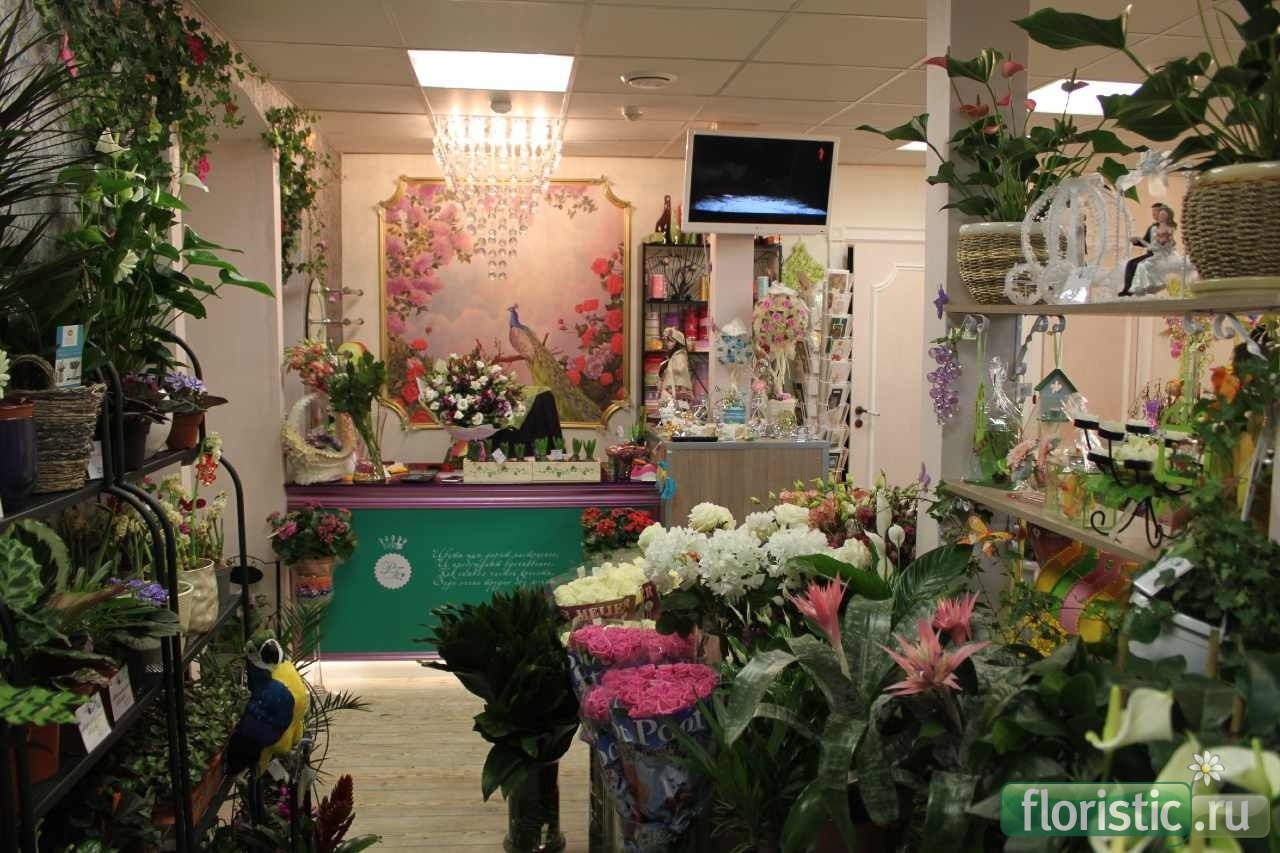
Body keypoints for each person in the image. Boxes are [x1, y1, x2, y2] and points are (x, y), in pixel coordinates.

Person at [1121, 203, 1175, 295]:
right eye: (1152, 212)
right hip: (1151, 252)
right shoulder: (1152, 227)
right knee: (1130, 263)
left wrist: (1140, 240)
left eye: (1156, 211)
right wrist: (1136, 241)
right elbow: (1146, 241)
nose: (1154, 214)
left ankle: (1138, 288)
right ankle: (1127, 289)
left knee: (1138, 265)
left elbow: (1161, 245)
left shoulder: (1166, 228)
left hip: (1157, 254)